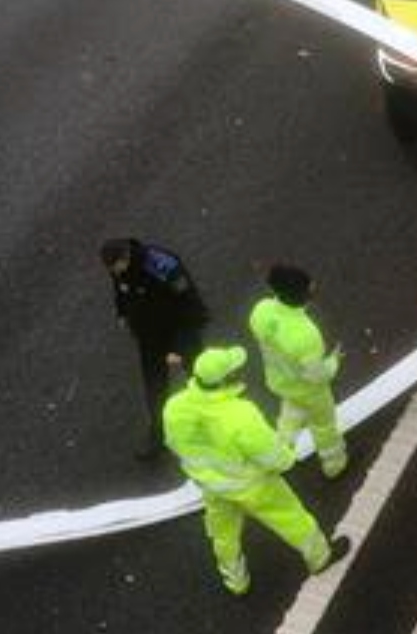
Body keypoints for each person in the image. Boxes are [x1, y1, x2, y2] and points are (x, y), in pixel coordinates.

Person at [162, 346, 351, 596]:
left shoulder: (174, 407)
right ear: (225, 380)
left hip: (212, 487)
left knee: (223, 535)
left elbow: (174, 443)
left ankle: (235, 581)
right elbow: (273, 455)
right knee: (291, 518)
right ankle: (320, 557)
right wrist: (287, 459)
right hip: (253, 486)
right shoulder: (240, 414)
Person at [102, 238, 209, 460]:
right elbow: (121, 289)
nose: (115, 273)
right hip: (150, 336)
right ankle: (158, 437)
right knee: (155, 388)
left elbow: (189, 304)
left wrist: (178, 348)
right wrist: (122, 313)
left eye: (116, 267)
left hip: (180, 329)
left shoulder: (162, 265)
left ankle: (216, 421)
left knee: (202, 377)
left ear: (126, 257)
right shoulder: (118, 267)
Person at [248, 264, 348, 479]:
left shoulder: (261, 310)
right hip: (310, 391)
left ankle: (279, 455)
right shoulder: (305, 335)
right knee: (324, 426)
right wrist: (334, 361)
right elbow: (317, 375)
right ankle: (334, 464)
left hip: (280, 381)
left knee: (290, 415)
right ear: (306, 294)